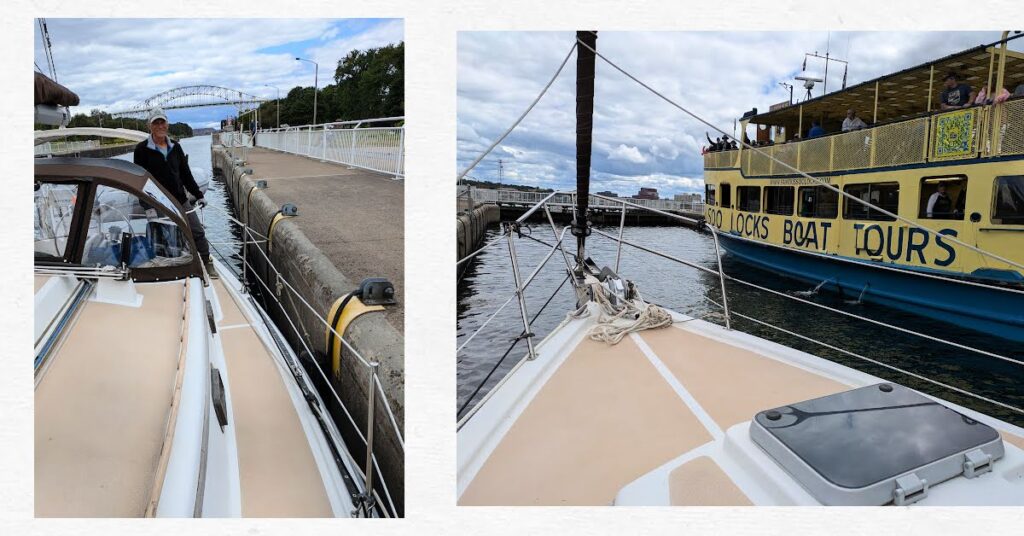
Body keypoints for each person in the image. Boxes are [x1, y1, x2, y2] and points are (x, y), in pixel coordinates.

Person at [133, 107, 217, 278]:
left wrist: (199, 195)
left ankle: (206, 262)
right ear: (150, 126)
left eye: (162, 122)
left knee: (197, 231)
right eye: (155, 123)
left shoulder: (176, 147)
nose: (159, 126)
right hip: (157, 201)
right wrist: (146, 205)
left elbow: (186, 175)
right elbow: (139, 180)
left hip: (180, 198)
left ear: (167, 124)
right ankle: (167, 268)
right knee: (162, 236)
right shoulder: (141, 150)